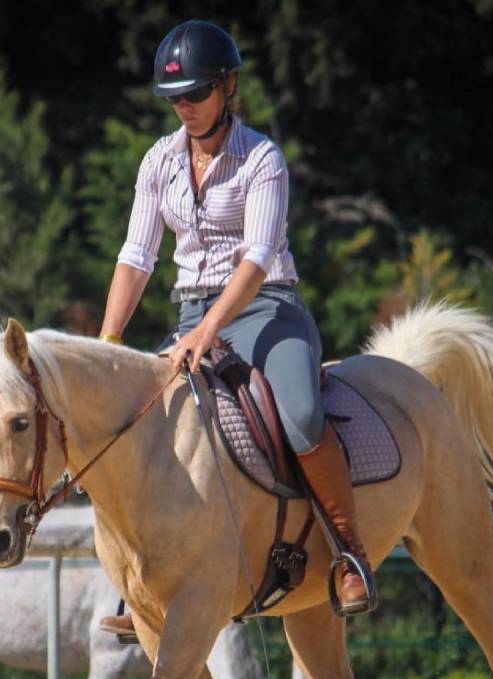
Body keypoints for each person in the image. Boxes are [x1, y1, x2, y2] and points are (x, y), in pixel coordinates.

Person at [97, 19, 374, 627]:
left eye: (196, 94)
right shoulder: (158, 161)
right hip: (190, 311)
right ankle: (140, 583)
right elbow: (136, 257)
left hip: (267, 308)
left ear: (228, 88)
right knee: (139, 421)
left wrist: (207, 331)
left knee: (300, 412)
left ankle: (350, 553)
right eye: (175, 98)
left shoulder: (263, 158)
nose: (185, 107)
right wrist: (109, 341)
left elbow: (257, 257)